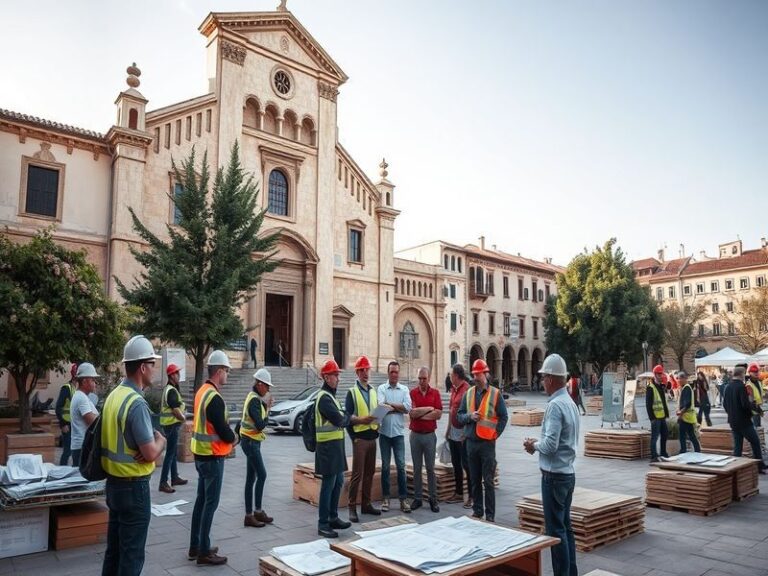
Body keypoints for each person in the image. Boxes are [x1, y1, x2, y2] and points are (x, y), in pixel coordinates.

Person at [101, 336, 167, 576]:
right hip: (134, 488)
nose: (154, 369)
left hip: (113, 485)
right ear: (142, 367)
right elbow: (150, 453)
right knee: (131, 557)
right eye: (152, 363)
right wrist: (161, 440)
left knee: (114, 552)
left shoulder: (113, 396)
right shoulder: (136, 403)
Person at [524, 353, 579, 576]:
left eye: (544, 377)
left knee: (556, 532)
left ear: (551, 379)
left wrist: (533, 444)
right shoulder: (571, 403)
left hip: (554, 476)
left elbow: (550, 445)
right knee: (566, 528)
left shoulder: (555, 406)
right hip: (567, 474)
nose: (542, 381)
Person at [189, 350, 237, 565]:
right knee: (210, 504)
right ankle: (204, 552)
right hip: (212, 457)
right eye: (226, 370)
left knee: (201, 502)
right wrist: (234, 438)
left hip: (200, 455)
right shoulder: (214, 397)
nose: (227, 374)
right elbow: (223, 430)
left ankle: (196, 545)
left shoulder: (202, 391)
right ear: (219, 371)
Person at [458, 359, 508, 522]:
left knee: (488, 481)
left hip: (487, 443)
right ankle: (477, 511)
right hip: (471, 443)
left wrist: (495, 434)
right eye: (474, 374)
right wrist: (469, 417)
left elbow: (503, 417)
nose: (475, 377)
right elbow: (459, 416)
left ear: (486, 374)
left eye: (478, 374)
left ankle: (490, 515)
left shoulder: (495, 393)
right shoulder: (469, 393)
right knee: (474, 480)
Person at [314, 360, 353, 538]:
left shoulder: (330, 396)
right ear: (326, 377)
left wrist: (344, 417)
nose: (338, 378)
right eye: (335, 375)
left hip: (335, 447)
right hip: (327, 448)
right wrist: (345, 417)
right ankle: (323, 524)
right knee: (328, 485)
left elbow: (342, 417)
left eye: (338, 375)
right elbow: (340, 420)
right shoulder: (324, 398)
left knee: (337, 482)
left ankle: (332, 517)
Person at [345, 356, 381, 522]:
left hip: (373, 437)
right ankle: (352, 507)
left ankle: (366, 504)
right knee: (357, 475)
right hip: (360, 438)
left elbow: (375, 412)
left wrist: (378, 422)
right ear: (357, 373)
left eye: (367, 369)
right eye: (362, 370)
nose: (366, 373)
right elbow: (347, 418)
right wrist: (354, 438)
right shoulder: (351, 392)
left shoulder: (373, 391)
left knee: (370, 473)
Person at [240, 368, 274, 528]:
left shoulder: (253, 398)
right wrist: (267, 411)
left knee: (251, 478)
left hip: (251, 441)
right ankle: (256, 511)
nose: (268, 389)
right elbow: (260, 425)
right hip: (251, 442)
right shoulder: (254, 400)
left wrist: (265, 407)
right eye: (267, 386)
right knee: (262, 475)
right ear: (259, 384)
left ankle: (251, 514)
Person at [376, 361, 412, 514]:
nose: (394, 374)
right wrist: (398, 407)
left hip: (398, 434)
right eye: (392, 372)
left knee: (401, 466)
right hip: (384, 434)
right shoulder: (381, 388)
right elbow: (380, 408)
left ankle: (403, 499)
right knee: (385, 467)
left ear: (399, 373)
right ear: (388, 372)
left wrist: (390, 405)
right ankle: (386, 498)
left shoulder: (404, 389)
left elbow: (408, 408)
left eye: (396, 372)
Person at [409, 366, 443, 513]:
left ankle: (432, 498)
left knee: (430, 468)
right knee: (416, 468)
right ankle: (417, 499)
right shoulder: (412, 393)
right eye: (420, 378)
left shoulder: (435, 393)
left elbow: (439, 414)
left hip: (429, 436)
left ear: (429, 378)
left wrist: (421, 413)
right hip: (415, 435)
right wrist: (429, 409)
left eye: (424, 378)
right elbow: (412, 413)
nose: (421, 381)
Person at [723, 365, 766, 474]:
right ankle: (759, 465)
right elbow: (745, 404)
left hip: (733, 421)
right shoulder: (741, 387)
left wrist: (731, 414)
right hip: (744, 421)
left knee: (738, 446)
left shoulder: (728, 387)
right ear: (742, 375)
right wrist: (750, 414)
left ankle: (735, 470)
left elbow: (725, 404)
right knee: (755, 442)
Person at [158, 363, 188, 493]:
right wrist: (183, 418)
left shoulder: (170, 389)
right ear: (171, 376)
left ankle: (174, 477)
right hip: (171, 425)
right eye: (176, 373)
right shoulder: (171, 390)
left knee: (173, 452)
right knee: (170, 454)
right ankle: (163, 482)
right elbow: (175, 410)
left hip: (170, 425)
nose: (178, 375)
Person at [445, 363, 471, 507]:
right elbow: (451, 410)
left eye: (451, 374)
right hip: (453, 431)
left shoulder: (467, 390)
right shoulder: (454, 390)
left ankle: (472, 496)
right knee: (456, 463)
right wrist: (448, 430)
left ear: (456, 375)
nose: (449, 376)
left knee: (466, 464)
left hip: (463, 433)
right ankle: (459, 493)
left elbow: (470, 412)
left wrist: (466, 433)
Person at [69, 363, 100, 467]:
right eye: (92, 380)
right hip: (83, 447)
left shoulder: (82, 397)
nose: (95, 383)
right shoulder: (81, 398)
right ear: (84, 381)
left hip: (82, 447)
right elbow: (94, 423)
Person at [646, 365, 670, 462]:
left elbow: (663, 401)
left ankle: (663, 452)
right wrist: (651, 418)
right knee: (655, 437)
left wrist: (666, 413)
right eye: (659, 374)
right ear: (655, 375)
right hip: (655, 417)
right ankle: (653, 456)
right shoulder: (650, 387)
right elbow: (648, 404)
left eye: (662, 374)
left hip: (662, 416)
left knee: (665, 434)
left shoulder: (660, 386)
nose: (661, 376)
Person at [56, 363, 78, 466]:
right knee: (67, 451)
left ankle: (74, 473)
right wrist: (63, 424)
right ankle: (61, 472)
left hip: (74, 425)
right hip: (67, 425)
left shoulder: (76, 389)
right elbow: (58, 407)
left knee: (75, 451)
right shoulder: (66, 388)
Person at [676, 371, 701, 453]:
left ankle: (683, 450)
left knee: (683, 435)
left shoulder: (686, 388)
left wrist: (680, 412)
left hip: (686, 417)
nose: (678, 380)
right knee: (690, 435)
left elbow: (687, 404)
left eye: (679, 378)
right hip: (686, 417)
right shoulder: (685, 388)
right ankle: (697, 450)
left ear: (683, 378)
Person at [746, 364, 764, 430]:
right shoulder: (748, 384)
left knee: (758, 427)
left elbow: (761, 394)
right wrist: (758, 410)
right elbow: (750, 401)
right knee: (756, 428)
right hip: (753, 410)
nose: (756, 373)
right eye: (753, 372)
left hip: (758, 407)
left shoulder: (759, 382)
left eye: (757, 371)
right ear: (750, 373)